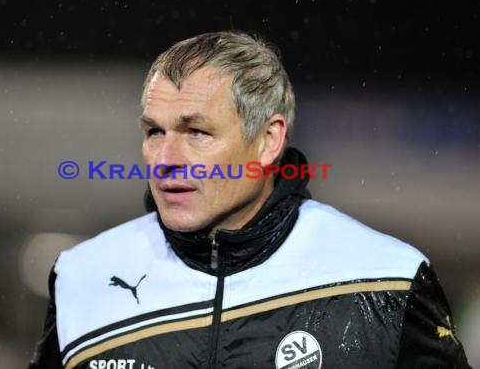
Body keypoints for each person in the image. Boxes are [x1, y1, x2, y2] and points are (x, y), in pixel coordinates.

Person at [28, 31, 470, 369]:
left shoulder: (387, 279)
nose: (165, 160)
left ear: (268, 140)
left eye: (196, 132)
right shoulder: (81, 276)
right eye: (154, 132)